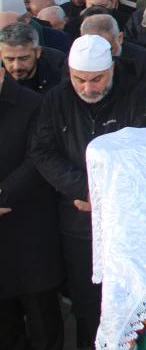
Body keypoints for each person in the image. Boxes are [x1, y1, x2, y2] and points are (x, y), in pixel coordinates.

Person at [30, 36, 146, 348]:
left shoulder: (134, 94)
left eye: (97, 79)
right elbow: (43, 152)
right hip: (79, 223)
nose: (88, 88)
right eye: (79, 80)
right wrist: (85, 190)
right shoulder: (57, 100)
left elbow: (142, 151)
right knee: (86, 305)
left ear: (111, 70)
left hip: (125, 222)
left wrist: (108, 195)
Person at [0, 65, 64, 350]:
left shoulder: (32, 104)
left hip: (28, 222)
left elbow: (37, 157)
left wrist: (4, 194)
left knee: (41, 314)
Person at [0, 21, 66, 94]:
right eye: (10, 59)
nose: (17, 66)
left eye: (24, 58)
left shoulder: (58, 66)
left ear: (38, 52)